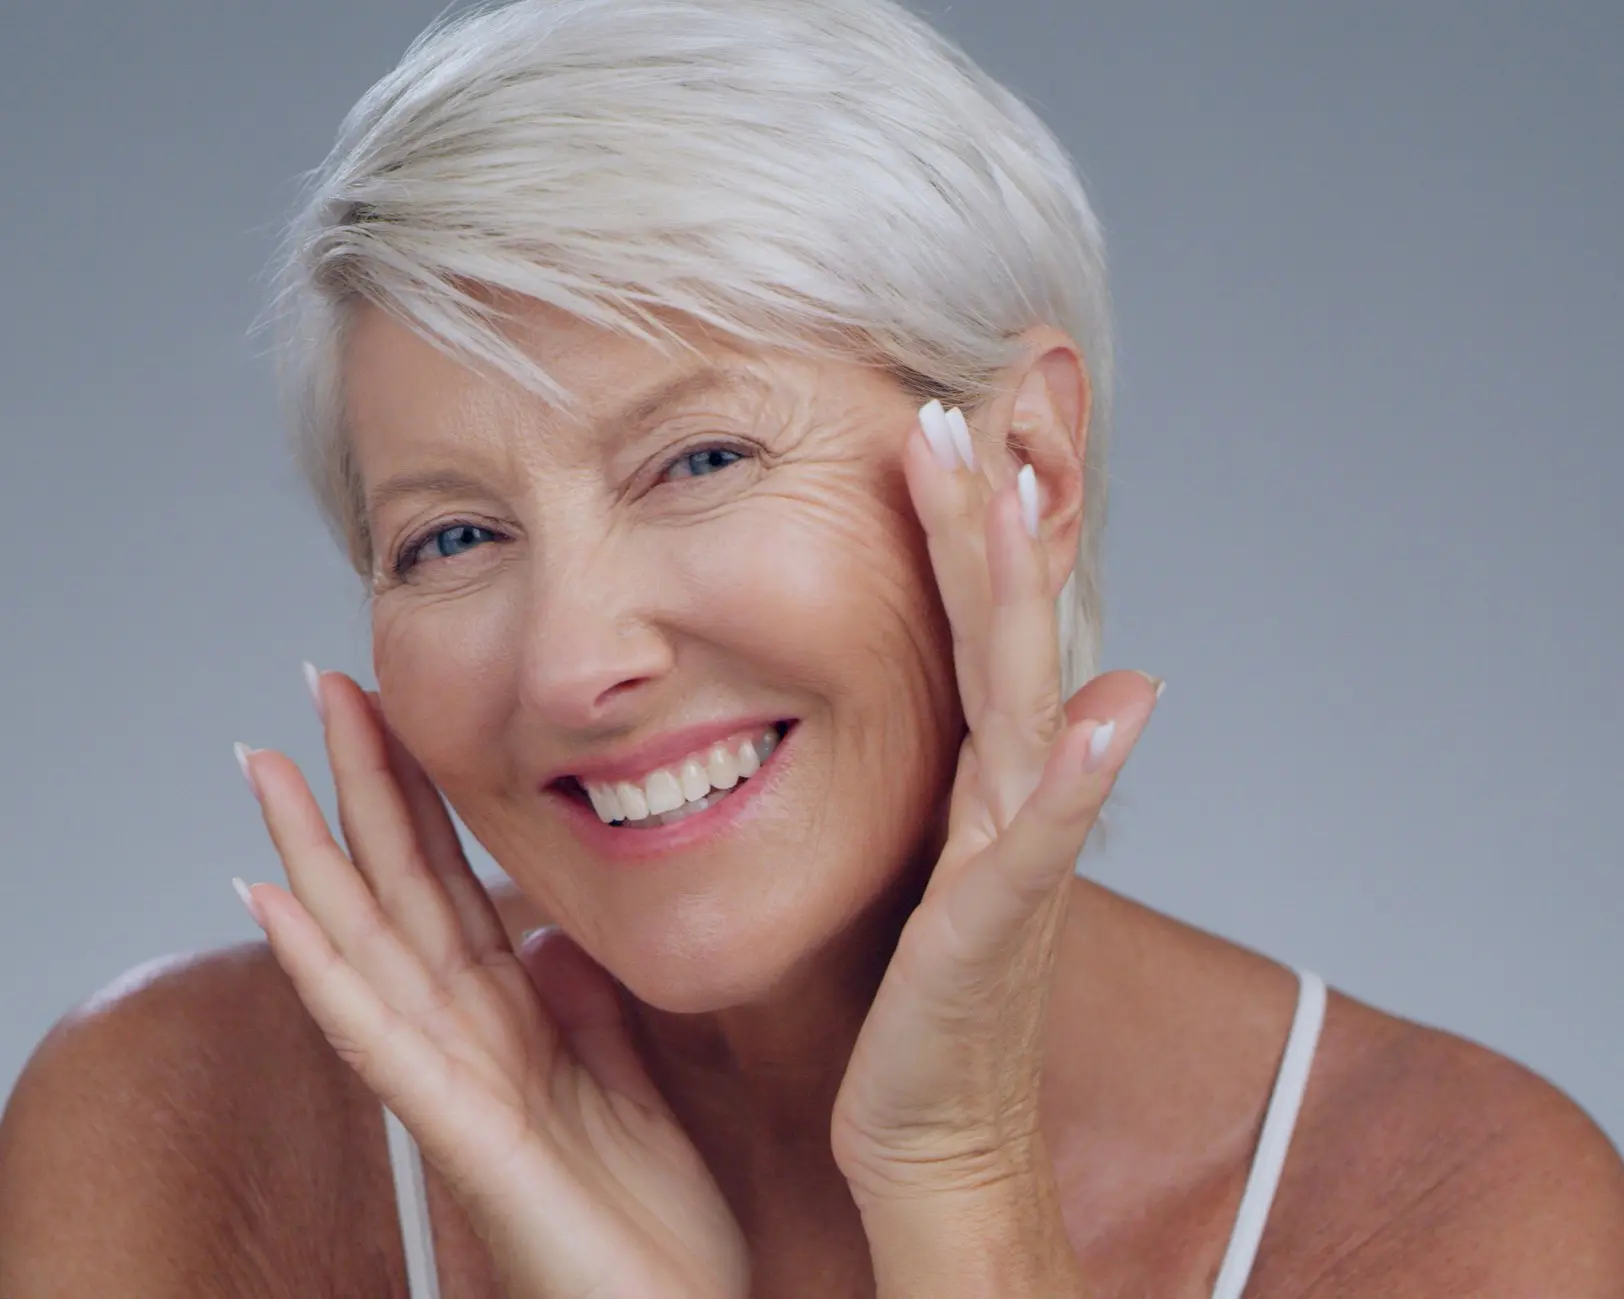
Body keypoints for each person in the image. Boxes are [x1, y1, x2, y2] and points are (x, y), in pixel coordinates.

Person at [2, 0, 1621, 1295]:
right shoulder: (174, 1135)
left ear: (1029, 471)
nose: (572, 664)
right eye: (453, 536)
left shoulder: (1452, 1210)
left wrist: (965, 1200)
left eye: (697, 460)